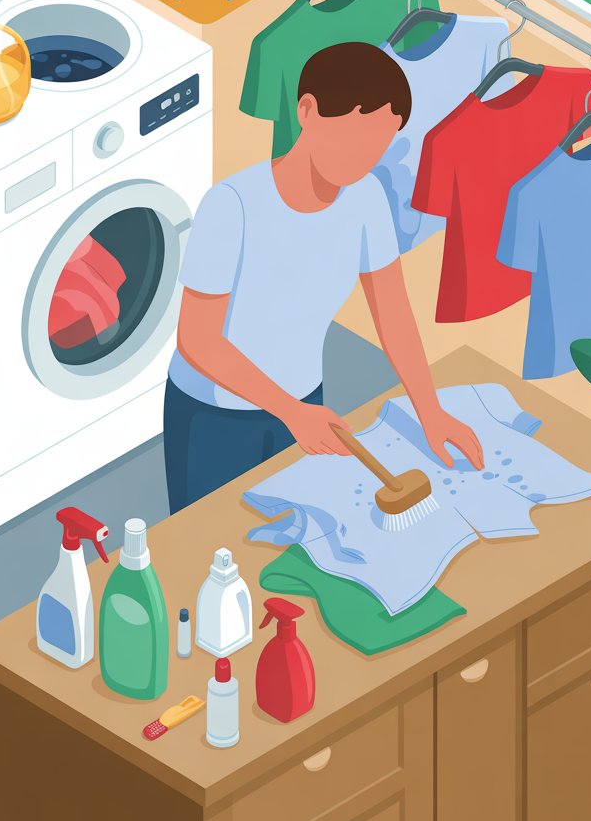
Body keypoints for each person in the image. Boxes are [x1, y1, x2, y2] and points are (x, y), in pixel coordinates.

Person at [164, 41, 483, 513]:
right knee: (209, 551)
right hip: (217, 416)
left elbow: (393, 315)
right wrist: (291, 413)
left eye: (380, 144)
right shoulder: (232, 205)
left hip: (307, 401)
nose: (364, 159)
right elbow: (197, 339)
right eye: (355, 138)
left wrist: (430, 411)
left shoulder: (367, 198)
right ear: (307, 111)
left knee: (294, 542)